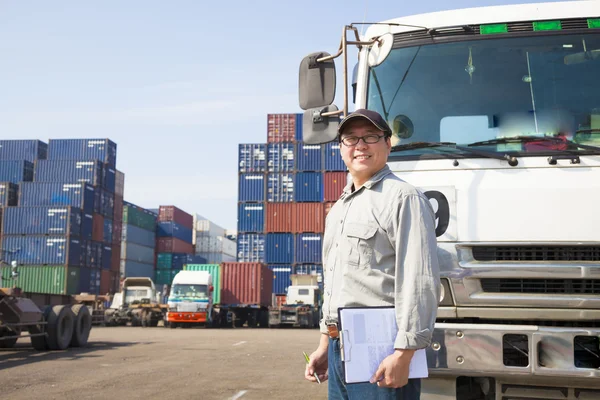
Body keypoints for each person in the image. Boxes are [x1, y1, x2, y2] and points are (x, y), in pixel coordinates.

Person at [304, 109, 440, 399]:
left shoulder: (404, 198)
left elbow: (419, 280)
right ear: (340, 148)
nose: (360, 146)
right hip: (341, 349)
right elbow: (336, 284)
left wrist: (404, 354)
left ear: (388, 144)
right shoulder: (339, 209)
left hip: (384, 350)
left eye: (370, 137)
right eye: (350, 139)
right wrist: (325, 345)